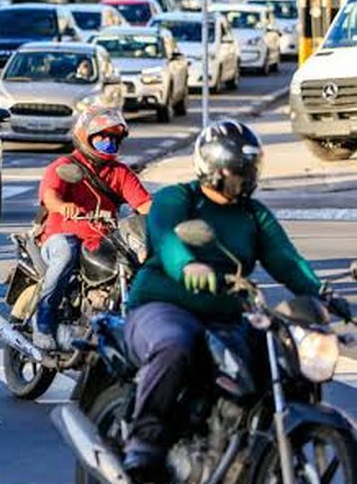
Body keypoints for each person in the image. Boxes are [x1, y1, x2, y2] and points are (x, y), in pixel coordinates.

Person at [121, 120, 341, 481]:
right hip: (163, 305)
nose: (246, 175)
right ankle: (145, 442)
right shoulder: (179, 198)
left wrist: (322, 293)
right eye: (239, 167)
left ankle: (250, 442)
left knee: (280, 361)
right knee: (176, 346)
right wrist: (188, 266)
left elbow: (287, 261)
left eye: (251, 167)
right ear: (213, 167)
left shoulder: (253, 214)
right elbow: (166, 239)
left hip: (227, 315)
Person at [32, 107, 151, 350]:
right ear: (86, 137)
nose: (108, 142)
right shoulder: (64, 165)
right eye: (102, 137)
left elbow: (145, 204)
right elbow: (50, 196)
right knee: (67, 251)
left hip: (102, 242)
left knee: (140, 264)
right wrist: (64, 206)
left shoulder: (120, 172)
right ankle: (43, 319)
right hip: (60, 236)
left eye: (113, 138)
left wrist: (168, 217)